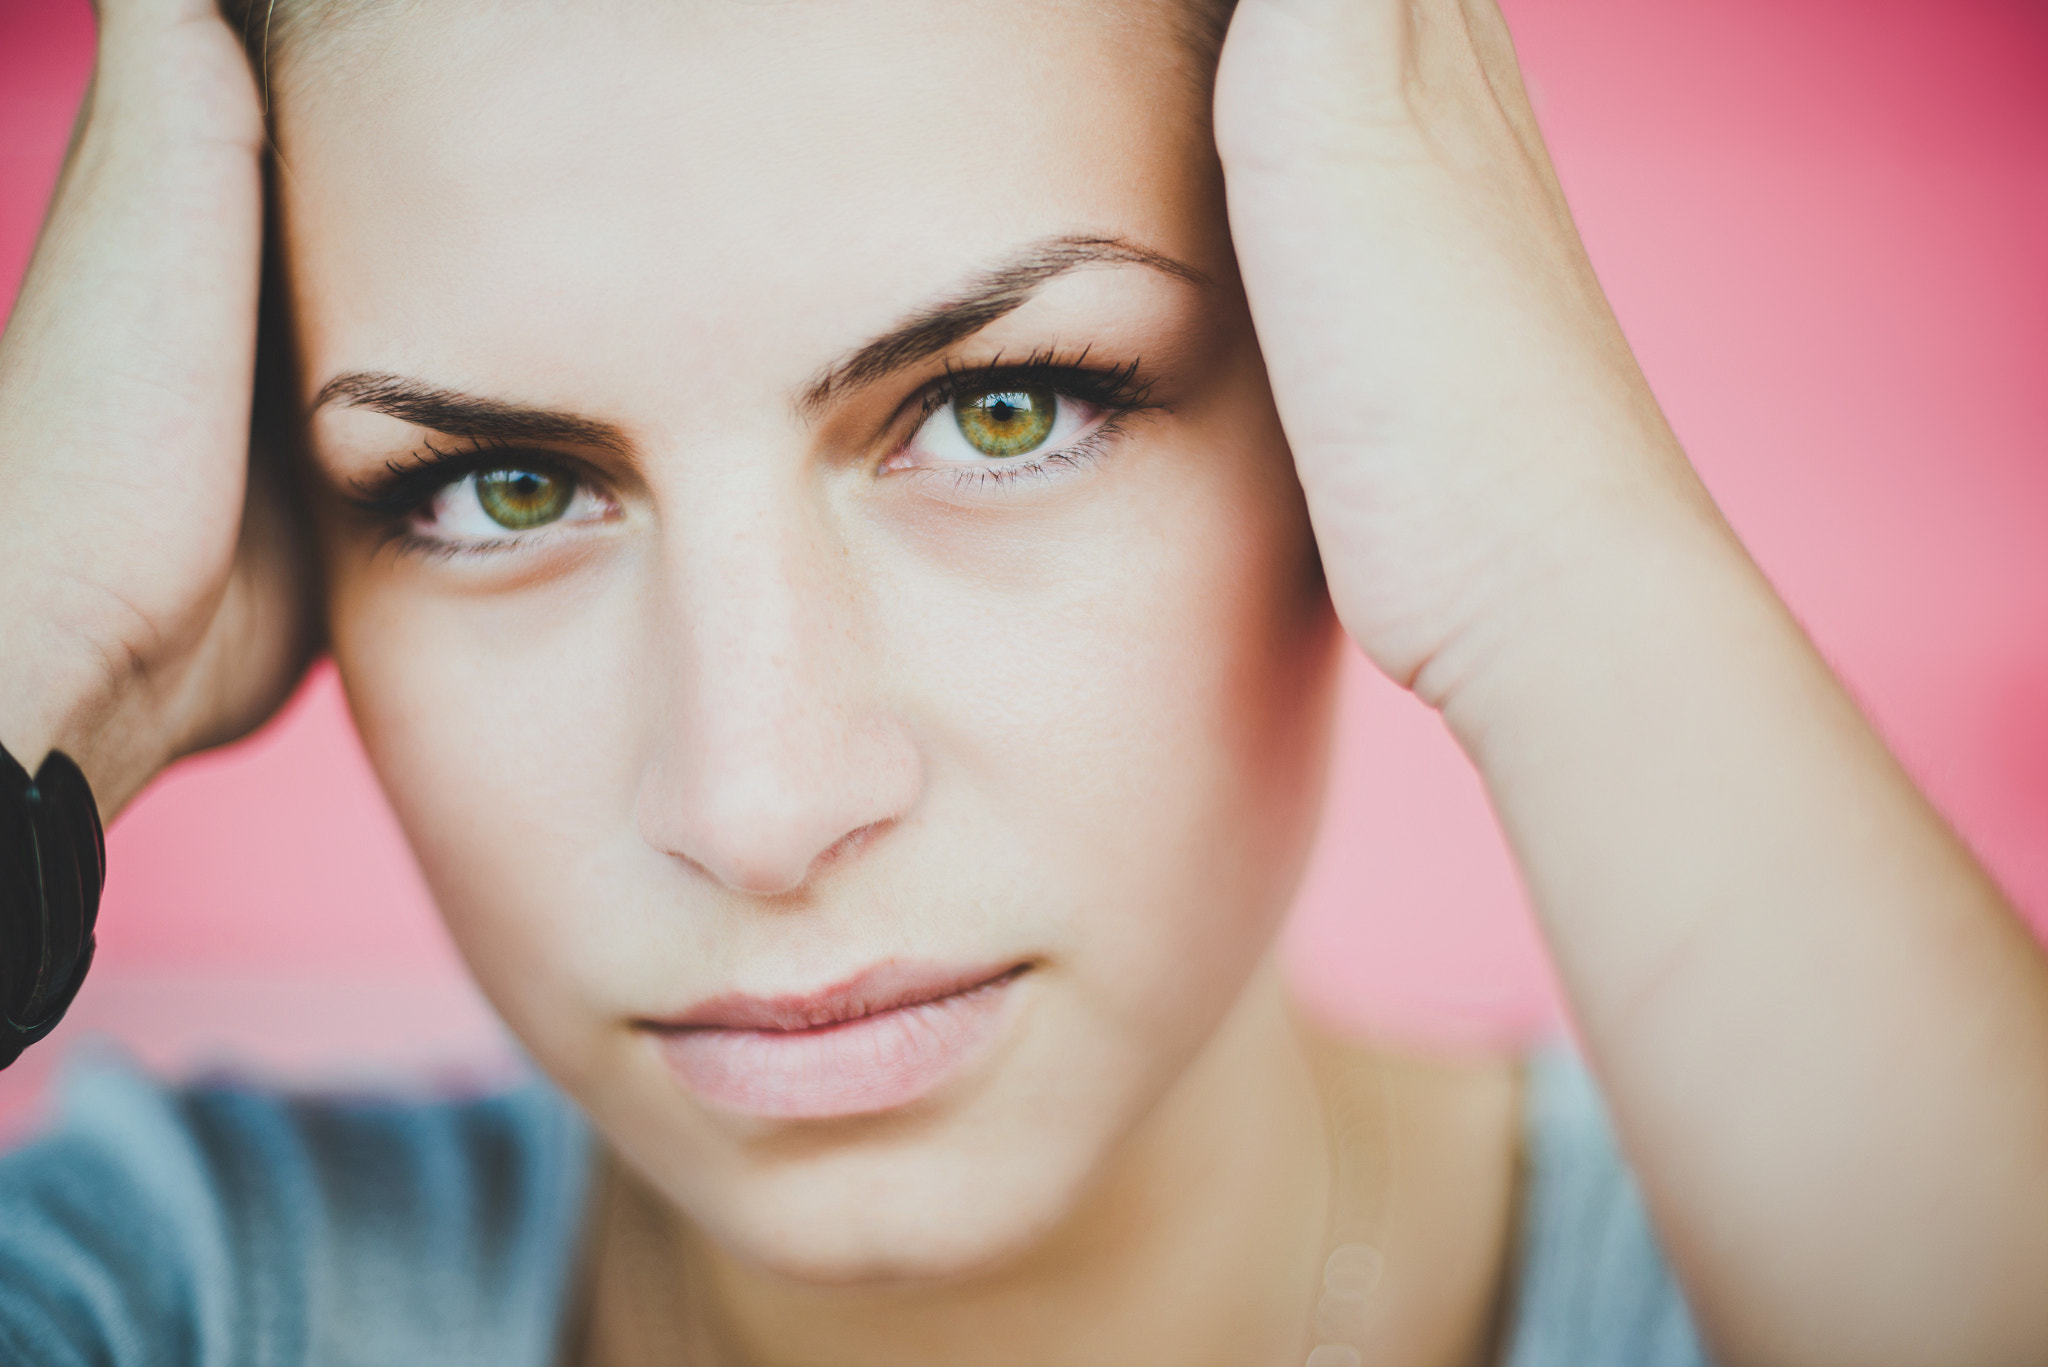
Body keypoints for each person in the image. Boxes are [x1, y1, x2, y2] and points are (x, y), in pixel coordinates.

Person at [1, 0, 2044, 1363]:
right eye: (499, 485)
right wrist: (42, 622)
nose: (761, 798)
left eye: (999, 413)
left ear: (1351, 374)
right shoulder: (179, 1292)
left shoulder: (1760, 1273)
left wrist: (1558, 550)